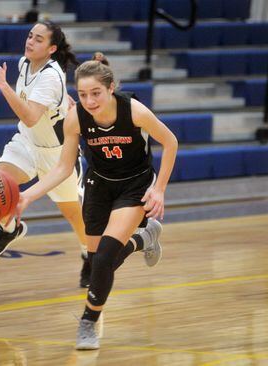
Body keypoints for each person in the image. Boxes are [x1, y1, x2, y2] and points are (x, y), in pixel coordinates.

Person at [15, 53, 178, 350]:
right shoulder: (76, 118)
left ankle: (89, 320)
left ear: (111, 88)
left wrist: (160, 189)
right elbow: (64, 168)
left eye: (96, 93)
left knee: (103, 259)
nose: (89, 101)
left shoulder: (135, 111)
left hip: (134, 185)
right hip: (98, 185)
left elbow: (170, 142)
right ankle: (144, 239)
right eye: (83, 94)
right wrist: (27, 195)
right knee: (97, 264)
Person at [0, 20, 90, 287]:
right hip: (27, 142)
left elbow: (30, 116)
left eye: (38, 39)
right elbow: (32, 120)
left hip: (57, 153)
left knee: (74, 215)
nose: (30, 41)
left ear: (52, 48)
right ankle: (10, 229)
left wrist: (2, 85)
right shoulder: (24, 64)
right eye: (30, 36)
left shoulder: (51, 76)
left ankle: (90, 255)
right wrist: (65, 102)